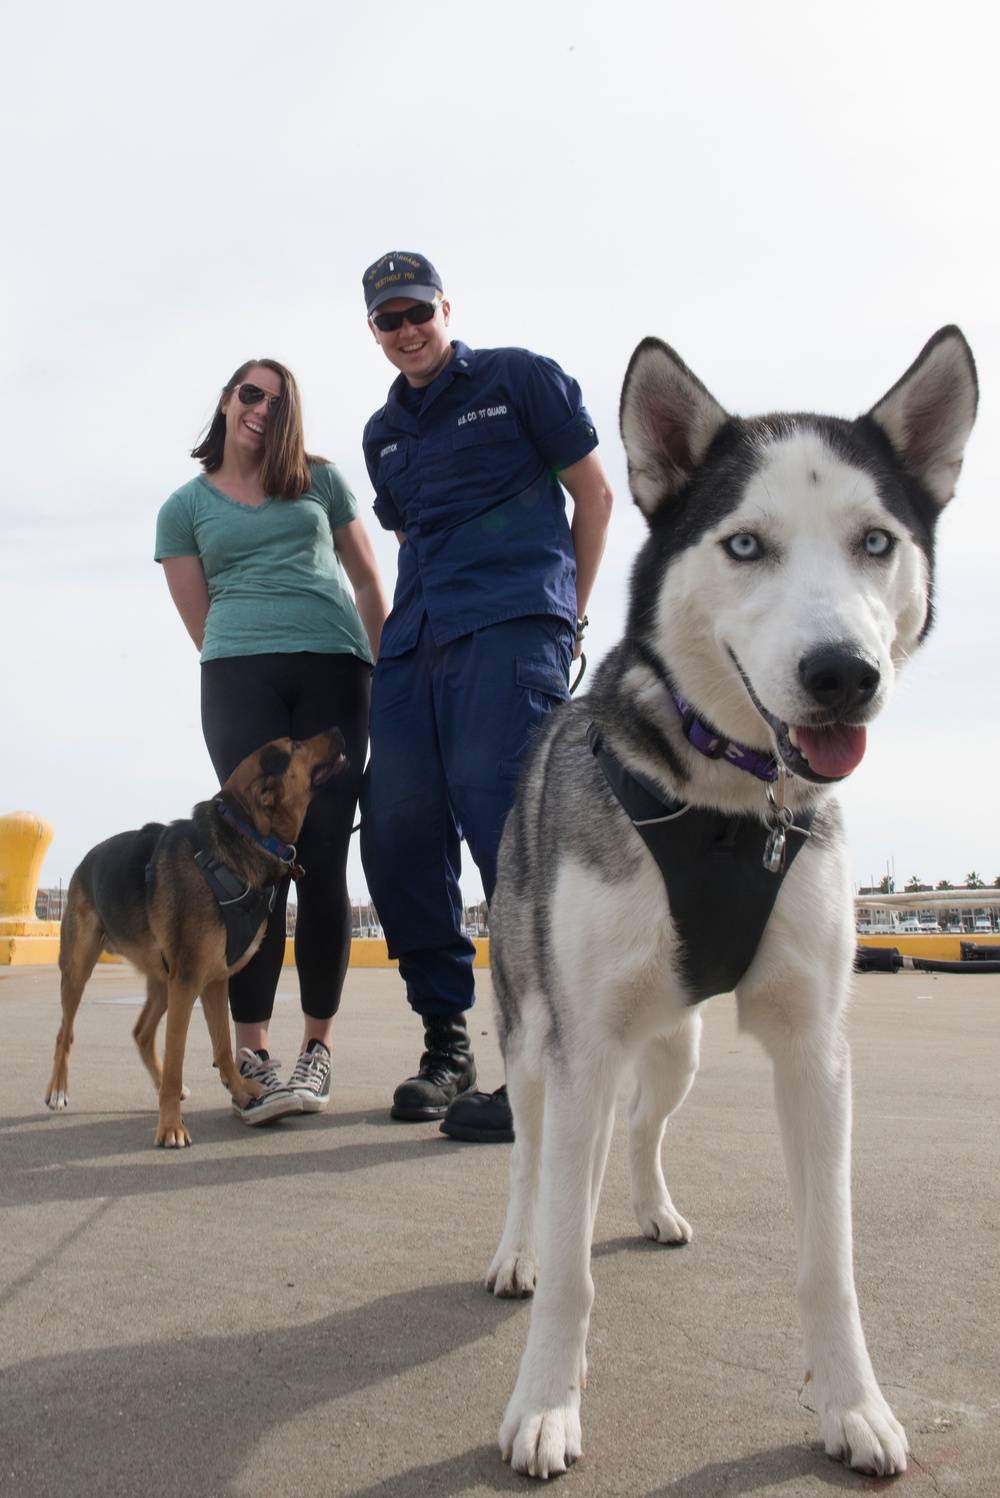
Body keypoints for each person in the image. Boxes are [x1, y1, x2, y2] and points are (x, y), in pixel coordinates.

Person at [361, 251, 613, 1141]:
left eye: (416, 312)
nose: (406, 332)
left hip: (510, 630)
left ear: (444, 308)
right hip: (415, 645)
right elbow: (411, 541)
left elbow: (593, 494)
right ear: (374, 331)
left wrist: (568, 618)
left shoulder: (519, 379)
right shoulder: (381, 434)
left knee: (512, 841)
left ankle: (539, 1065)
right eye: (388, 321)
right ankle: (447, 1044)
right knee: (394, 835)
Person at [155, 358, 388, 1124]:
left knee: (322, 855)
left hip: (333, 669)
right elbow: (200, 619)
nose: (261, 408)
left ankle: (314, 1051)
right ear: (226, 400)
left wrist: (385, 671)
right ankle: (252, 1056)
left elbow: (365, 579)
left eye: (277, 401)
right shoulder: (183, 507)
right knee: (253, 864)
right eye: (250, 393)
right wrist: (245, 656)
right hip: (239, 674)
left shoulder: (320, 481)